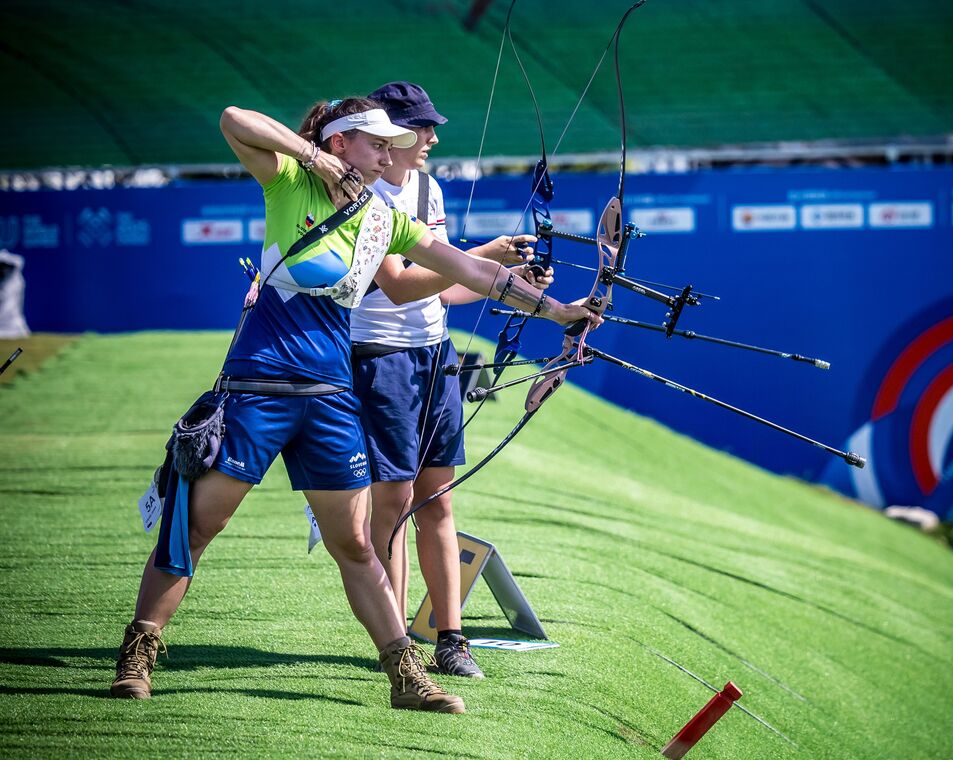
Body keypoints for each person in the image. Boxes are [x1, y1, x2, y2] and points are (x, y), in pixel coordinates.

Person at [110, 97, 600, 713]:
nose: (389, 151)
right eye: (376, 143)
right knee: (199, 525)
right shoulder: (289, 183)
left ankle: (406, 676)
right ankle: (138, 653)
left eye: (392, 144)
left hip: (330, 397)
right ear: (342, 145)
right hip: (262, 386)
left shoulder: (385, 218)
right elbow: (233, 118)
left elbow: (471, 274)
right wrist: (310, 156)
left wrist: (558, 311)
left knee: (359, 547)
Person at [351, 81, 544, 679]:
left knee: (437, 498)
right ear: (390, 132)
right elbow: (401, 283)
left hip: (435, 356)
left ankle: (449, 639)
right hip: (380, 357)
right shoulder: (358, 190)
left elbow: (447, 290)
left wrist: (506, 286)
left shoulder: (428, 187)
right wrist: (480, 256)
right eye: (421, 127)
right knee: (395, 500)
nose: (432, 138)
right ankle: (398, 641)